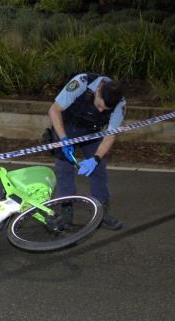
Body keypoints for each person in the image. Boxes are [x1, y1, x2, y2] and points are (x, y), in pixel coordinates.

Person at [47, 72, 125, 230]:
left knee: (99, 170)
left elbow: (110, 135)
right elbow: (54, 110)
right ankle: (66, 214)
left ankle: (101, 213)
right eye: (100, 105)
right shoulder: (81, 83)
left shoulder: (120, 103)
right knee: (64, 170)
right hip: (67, 128)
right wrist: (63, 139)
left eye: (106, 109)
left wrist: (95, 158)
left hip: (93, 132)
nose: (102, 111)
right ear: (98, 91)